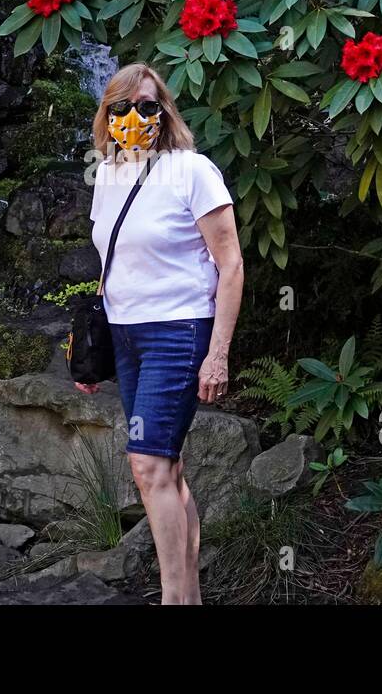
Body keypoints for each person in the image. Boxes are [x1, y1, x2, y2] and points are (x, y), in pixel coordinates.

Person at [80, 61, 243, 605]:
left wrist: (217, 353)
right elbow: (111, 263)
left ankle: (175, 599)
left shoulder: (193, 170)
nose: (135, 117)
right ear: (107, 114)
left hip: (177, 331)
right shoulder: (106, 174)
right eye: (122, 108)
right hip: (125, 337)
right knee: (166, 467)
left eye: (147, 106)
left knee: (147, 465)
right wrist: (90, 352)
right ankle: (189, 596)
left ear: (164, 111)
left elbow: (231, 264)